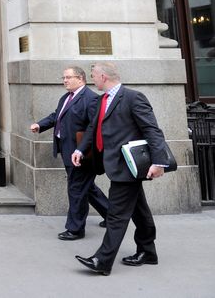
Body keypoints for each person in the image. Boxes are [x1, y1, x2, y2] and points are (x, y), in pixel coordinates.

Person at [71, 61, 170, 276]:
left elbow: (152, 130)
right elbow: (92, 128)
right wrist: (80, 150)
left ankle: (102, 260)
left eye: (93, 75)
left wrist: (159, 162)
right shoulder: (101, 100)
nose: (92, 79)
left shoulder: (133, 98)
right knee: (139, 210)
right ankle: (148, 251)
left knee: (116, 215)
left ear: (103, 77)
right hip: (112, 164)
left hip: (128, 166)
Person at [30, 66, 108, 240]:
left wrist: (81, 150)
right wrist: (40, 125)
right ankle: (110, 215)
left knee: (77, 189)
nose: (64, 80)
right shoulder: (67, 97)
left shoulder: (90, 99)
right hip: (67, 150)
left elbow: (93, 128)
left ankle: (75, 229)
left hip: (81, 154)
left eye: (68, 77)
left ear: (80, 79)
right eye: (63, 77)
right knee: (85, 188)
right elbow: (56, 116)